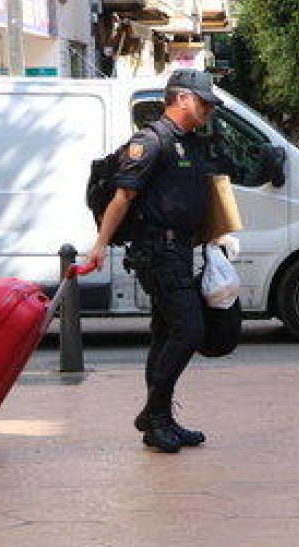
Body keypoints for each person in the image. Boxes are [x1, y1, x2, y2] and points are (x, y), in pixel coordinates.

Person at [86, 68, 220, 454]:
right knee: (189, 331)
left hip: (181, 249)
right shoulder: (151, 141)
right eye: (204, 102)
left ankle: (158, 416)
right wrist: (99, 245)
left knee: (166, 333)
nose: (209, 109)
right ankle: (154, 417)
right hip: (157, 252)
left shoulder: (190, 142)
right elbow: (122, 198)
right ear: (181, 98)